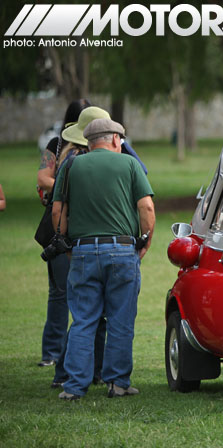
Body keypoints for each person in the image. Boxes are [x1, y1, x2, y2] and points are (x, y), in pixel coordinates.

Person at [52, 118, 155, 400]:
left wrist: (69, 246)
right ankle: (118, 383)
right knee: (121, 320)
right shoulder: (130, 165)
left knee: (83, 319)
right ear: (114, 140)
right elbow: (146, 206)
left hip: (83, 251)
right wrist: (145, 241)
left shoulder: (70, 166)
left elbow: (57, 211)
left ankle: (74, 387)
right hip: (123, 251)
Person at [48, 106, 114, 389]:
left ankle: (85, 372)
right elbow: (58, 208)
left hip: (78, 244)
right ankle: (69, 372)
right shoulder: (78, 162)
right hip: (80, 243)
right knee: (87, 316)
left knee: (86, 315)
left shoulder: (73, 160)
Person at [36, 99, 91, 368]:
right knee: (60, 291)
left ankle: (71, 352)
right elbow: (42, 178)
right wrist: (67, 183)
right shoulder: (56, 146)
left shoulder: (95, 146)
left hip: (83, 227)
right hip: (58, 227)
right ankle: (52, 352)